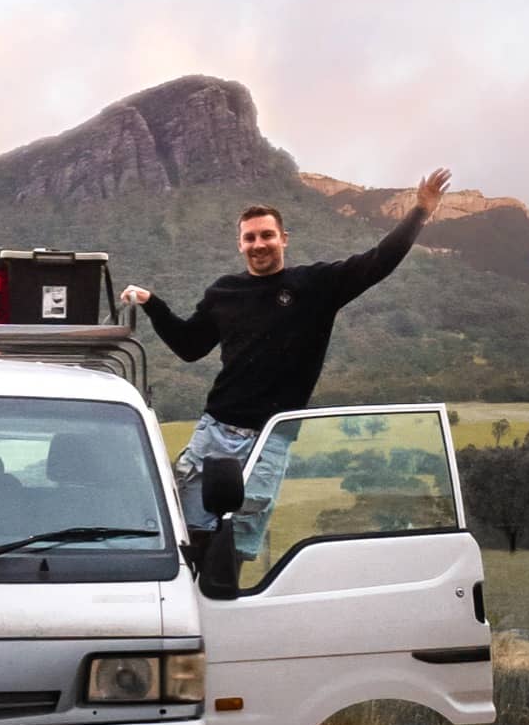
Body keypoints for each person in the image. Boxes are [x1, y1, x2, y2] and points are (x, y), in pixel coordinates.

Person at [121, 169, 451, 560]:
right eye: (250, 237)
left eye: (266, 235)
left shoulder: (315, 286)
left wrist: (420, 211)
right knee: (187, 539)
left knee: (232, 550)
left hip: (270, 438)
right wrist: (152, 304)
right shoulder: (223, 292)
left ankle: (224, 616)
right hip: (214, 433)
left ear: (283, 239)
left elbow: (378, 262)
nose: (259, 244)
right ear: (240, 244)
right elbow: (190, 346)